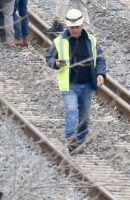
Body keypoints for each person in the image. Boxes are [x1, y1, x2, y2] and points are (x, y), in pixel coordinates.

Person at [44, 9, 106, 153]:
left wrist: (101, 74)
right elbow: (49, 58)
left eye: (77, 27)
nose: (75, 30)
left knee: (84, 117)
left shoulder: (91, 40)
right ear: (68, 27)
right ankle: (71, 139)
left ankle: (80, 142)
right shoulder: (59, 42)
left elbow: (100, 58)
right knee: (72, 111)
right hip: (69, 85)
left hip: (87, 85)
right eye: (72, 28)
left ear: (82, 26)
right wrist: (56, 63)